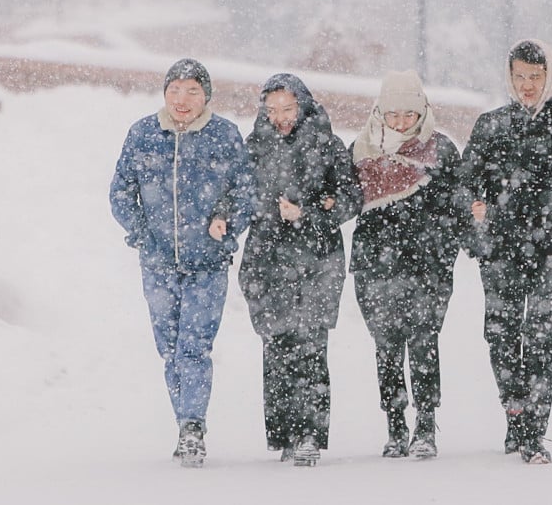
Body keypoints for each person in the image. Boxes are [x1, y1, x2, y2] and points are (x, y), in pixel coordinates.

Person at [459, 39, 552, 464]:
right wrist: (476, 216)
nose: (527, 85)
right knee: (501, 336)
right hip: (500, 250)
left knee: (540, 338)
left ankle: (534, 433)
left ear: (549, 77)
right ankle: (515, 413)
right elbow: (466, 183)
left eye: (535, 77)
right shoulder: (491, 126)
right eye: (519, 76)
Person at [109, 58, 255, 468]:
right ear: (165, 93)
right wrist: (141, 233)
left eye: (192, 91)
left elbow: (244, 191)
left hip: (207, 263)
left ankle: (193, 425)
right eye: (175, 90)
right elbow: (121, 191)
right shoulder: (143, 134)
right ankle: (184, 422)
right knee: (169, 348)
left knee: (194, 347)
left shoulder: (224, 135)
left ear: (206, 95)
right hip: (157, 264)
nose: (183, 99)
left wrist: (224, 222)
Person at [239, 73, 362, 467]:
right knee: (276, 347)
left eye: (287, 108)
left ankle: (310, 432)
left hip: (317, 260)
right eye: (272, 110)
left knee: (310, 347)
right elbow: (239, 195)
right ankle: (284, 435)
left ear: (303, 105)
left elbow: (350, 198)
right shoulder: (254, 146)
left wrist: (308, 214)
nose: (280, 117)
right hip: (267, 260)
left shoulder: (327, 145)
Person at [349, 70, 463, 459]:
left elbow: (457, 211)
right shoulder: (362, 150)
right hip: (374, 268)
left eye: (409, 115)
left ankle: (426, 425)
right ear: (380, 112)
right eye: (393, 114)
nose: (400, 123)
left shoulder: (442, 152)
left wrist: (442, 256)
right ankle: (395, 426)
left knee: (424, 345)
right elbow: (345, 203)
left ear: (423, 112)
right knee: (385, 347)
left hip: (428, 268)